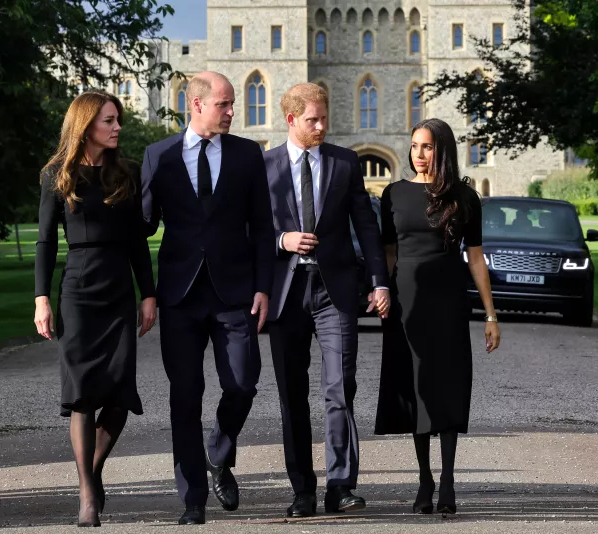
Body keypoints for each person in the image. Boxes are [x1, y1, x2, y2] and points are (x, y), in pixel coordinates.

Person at [140, 72, 275, 525]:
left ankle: (220, 452)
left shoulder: (247, 154)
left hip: (234, 292)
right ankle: (193, 497)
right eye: (224, 104)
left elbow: (262, 226)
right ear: (196, 104)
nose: (232, 112)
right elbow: (140, 227)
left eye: (233, 104)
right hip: (178, 295)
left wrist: (263, 286)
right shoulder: (158, 156)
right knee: (185, 395)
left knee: (242, 382)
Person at [264, 83, 391, 518]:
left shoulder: (345, 162)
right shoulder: (264, 167)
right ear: (291, 120)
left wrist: (379, 281)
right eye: (313, 119)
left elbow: (367, 227)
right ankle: (302, 490)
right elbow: (247, 231)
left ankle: (341, 486)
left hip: (334, 291)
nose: (321, 126)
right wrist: (283, 239)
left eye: (324, 118)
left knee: (340, 388)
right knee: (292, 395)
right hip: (286, 293)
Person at [33, 91, 157, 527]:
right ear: (86, 125)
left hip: (119, 287)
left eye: (117, 120)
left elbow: (139, 240)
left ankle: (94, 469)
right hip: (79, 291)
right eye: (109, 120)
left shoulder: (127, 173)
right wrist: (41, 298)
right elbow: (46, 241)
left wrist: (148, 294)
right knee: (83, 393)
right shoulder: (56, 175)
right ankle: (88, 492)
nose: (117, 127)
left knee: (120, 393)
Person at [374, 118, 501, 517]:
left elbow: (476, 257)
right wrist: (382, 291)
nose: (419, 153)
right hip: (405, 301)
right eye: (414, 146)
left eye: (427, 147)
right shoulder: (392, 194)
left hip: (448, 300)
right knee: (416, 387)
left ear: (442, 150)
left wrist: (491, 315)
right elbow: (389, 251)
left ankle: (447, 479)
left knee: (447, 384)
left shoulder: (465, 197)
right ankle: (424, 478)